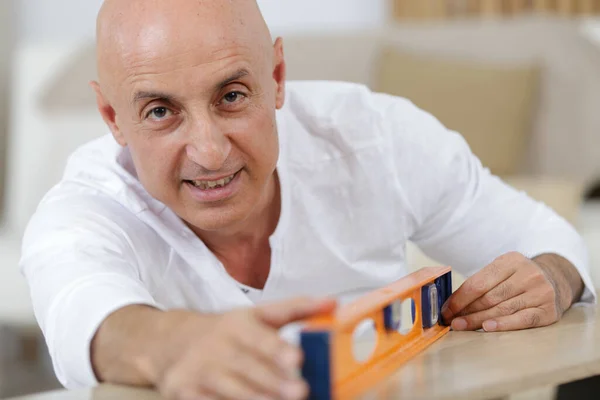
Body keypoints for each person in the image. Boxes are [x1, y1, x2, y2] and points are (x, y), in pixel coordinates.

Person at [19, 0, 596, 399]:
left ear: (277, 75)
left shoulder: (378, 138)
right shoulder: (82, 213)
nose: (210, 151)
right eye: (161, 111)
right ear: (112, 118)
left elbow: (549, 241)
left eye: (232, 95)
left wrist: (550, 277)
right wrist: (172, 344)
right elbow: (84, 313)